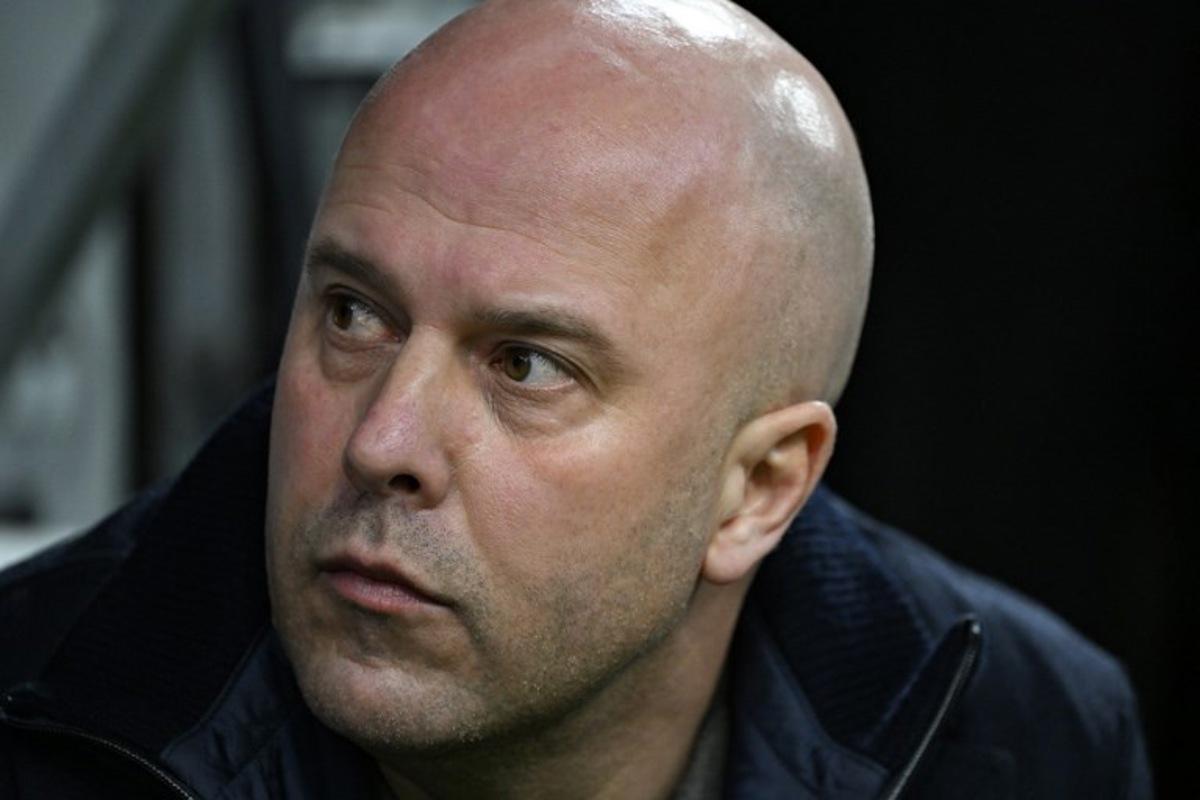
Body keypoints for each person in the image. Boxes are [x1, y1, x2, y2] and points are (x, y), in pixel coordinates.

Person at [0, 0, 1152, 797]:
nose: (383, 440)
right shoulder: (36, 715)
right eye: (355, 313)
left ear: (757, 487)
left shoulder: (1023, 737)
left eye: (526, 365)